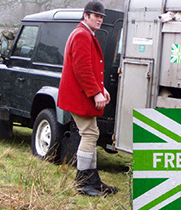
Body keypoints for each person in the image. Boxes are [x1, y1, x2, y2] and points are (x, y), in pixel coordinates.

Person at [57, 1, 117, 196]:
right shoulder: (82, 35)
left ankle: (93, 180)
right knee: (90, 134)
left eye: (101, 17)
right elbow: (82, 69)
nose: (99, 19)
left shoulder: (84, 33)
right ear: (86, 16)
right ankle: (83, 182)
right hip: (80, 96)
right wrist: (96, 92)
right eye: (96, 16)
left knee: (91, 133)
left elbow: (90, 67)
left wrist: (102, 88)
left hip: (82, 94)